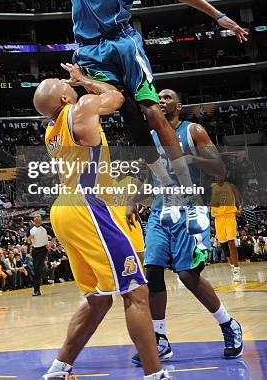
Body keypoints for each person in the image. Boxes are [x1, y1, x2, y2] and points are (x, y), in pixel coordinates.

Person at [71, 0, 248, 233]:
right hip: (88, 47)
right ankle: (162, 186)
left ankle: (187, 191)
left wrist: (218, 16)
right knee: (124, 113)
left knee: (151, 110)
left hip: (120, 42)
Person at [33, 63, 172, 380]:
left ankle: (58, 369)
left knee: (97, 300)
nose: (66, 82)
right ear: (67, 99)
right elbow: (118, 97)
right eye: (62, 82)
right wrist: (86, 81)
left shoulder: (51, 131)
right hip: (87, 207)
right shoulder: (81, 107)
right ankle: (155, 375)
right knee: (136, 292)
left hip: (63, 209)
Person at [132, 89, 243, 366]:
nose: (161, 100)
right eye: (158, 97)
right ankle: (160, 340)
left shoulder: (193, 131)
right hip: (160, 210)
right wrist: (134, 201)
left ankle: (229, 324)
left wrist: (191, 159)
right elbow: (149, 175)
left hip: (190, 209)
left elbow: (219, 169)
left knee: (187, 275)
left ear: (178, 106)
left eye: (167, 97)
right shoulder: (153, 136)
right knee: (153, 272)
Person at [210, 173, 243, 282]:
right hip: (218, 218)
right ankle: (233, 267)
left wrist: (240, 209)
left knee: (231, 243)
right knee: (224, 245)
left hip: (229, 216)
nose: (218, 176)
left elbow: (240, 198)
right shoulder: (211, 187)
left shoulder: (231, 186)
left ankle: (236, 270)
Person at [27, 215, 49, 296]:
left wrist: (50, 245)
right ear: (33, 219)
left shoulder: (45, 227)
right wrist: (29, 238)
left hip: (43, 249)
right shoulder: (31, 229)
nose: (37, 218)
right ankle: (45, 276)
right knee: (37, 269)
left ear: (41, 219)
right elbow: (28, 241)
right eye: (35, 217)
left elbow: (54, 236)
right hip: (34, 250)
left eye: (38, 216)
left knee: (36, 269)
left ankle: (36, 290)